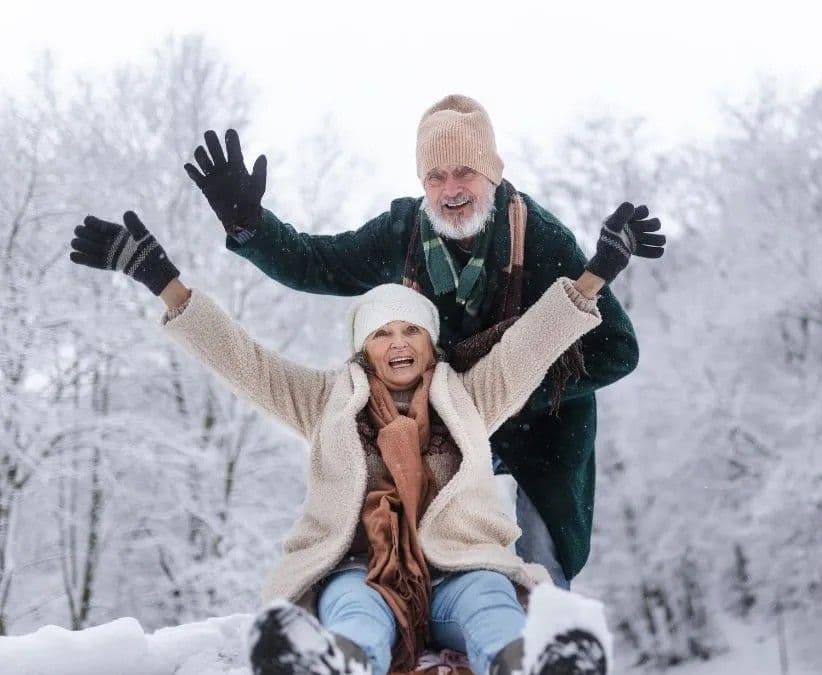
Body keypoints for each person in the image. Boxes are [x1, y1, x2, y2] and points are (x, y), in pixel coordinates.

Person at [69, 202, 662, 674]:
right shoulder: (326, 402)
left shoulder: (469, 396)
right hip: (363, 569)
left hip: (461, 570)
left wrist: (599, 271)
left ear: (430, 344)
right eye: (382, 334)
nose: (398, 343)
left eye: (411, 331)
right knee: (353, 611)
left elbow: (532, 345)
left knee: (491, 603)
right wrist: (162, 280)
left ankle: (531, 665)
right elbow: (244, 362)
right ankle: (333, 665)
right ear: (364, 348)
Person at [182, 95, 661, 590]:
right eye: (435, 177)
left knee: (542, 566)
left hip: (545, 429)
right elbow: (316, 263)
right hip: (444, 423)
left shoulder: (537, 238)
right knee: (431, 548)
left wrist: (520, 390)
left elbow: (618, 350)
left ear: (491, 174)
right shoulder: (404, 232)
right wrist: (250, 226)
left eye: (464, 173)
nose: (450, 190)